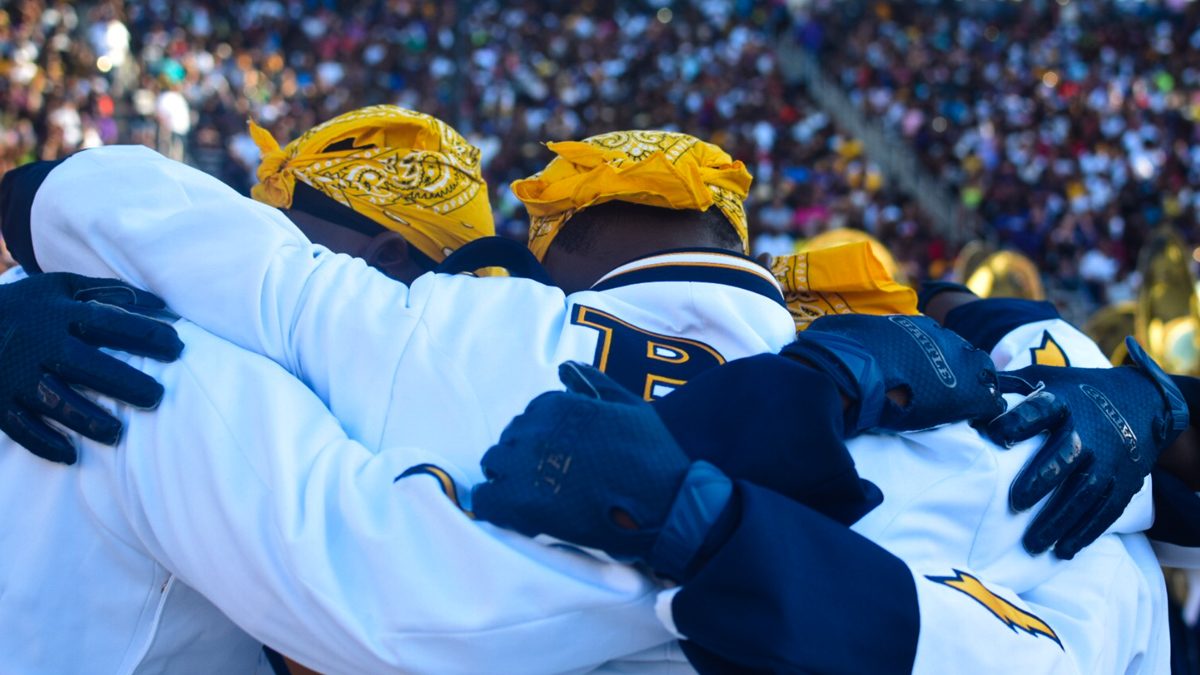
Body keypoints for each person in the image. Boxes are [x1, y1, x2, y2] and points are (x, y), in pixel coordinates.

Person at [0, 130, 1177, 672]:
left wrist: (39, 234)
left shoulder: (449, 331)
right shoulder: (1009, 441)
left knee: (97, 417)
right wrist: (1146, 404)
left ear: (545, 245)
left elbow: (232, 282)